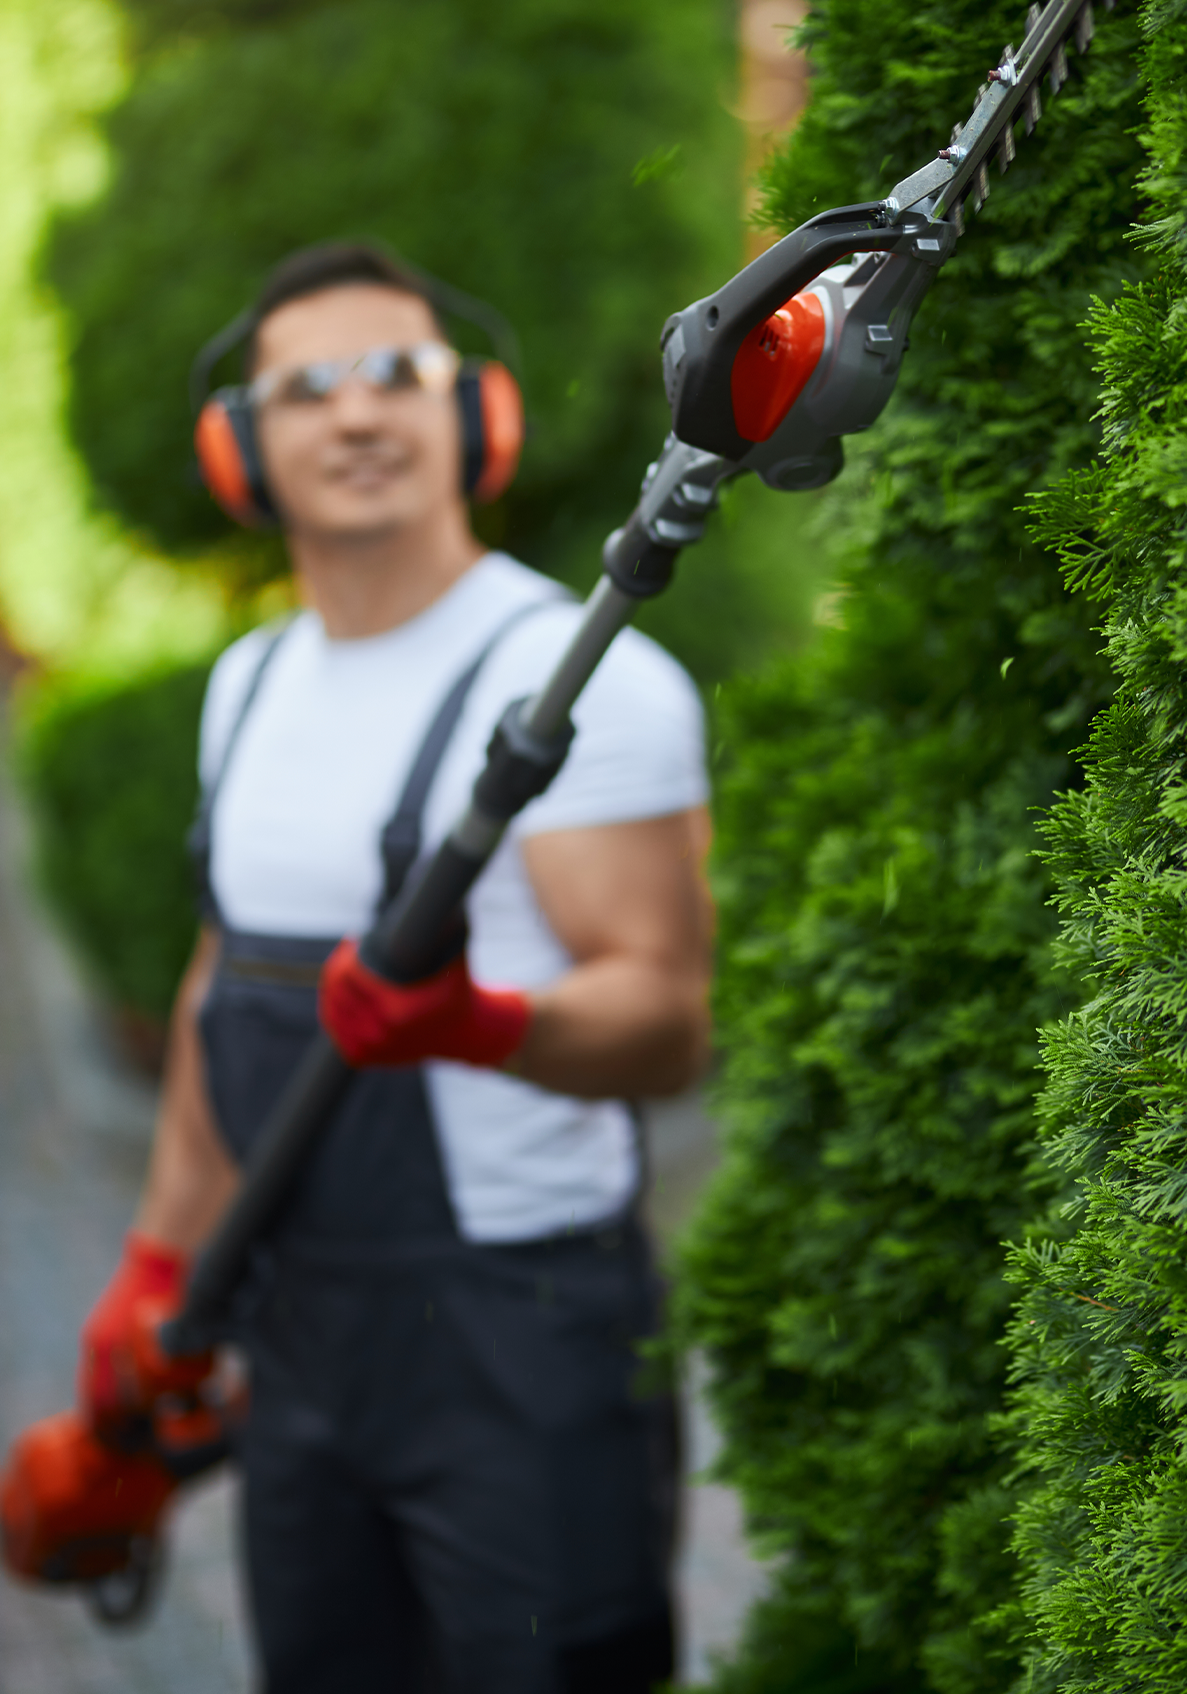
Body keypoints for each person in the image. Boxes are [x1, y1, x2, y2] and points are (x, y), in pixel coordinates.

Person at [75, 241, 714, 1693]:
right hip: (301, 1344)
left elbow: (665, 1021)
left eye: (396, 376)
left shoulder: (578, 678)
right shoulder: (248, 686)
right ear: (242, 446)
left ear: (473, 420)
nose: (356, 415)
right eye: (305, 389)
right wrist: (156, 1265)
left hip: (522, 1344)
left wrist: (480, 1024)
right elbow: (217, 990)